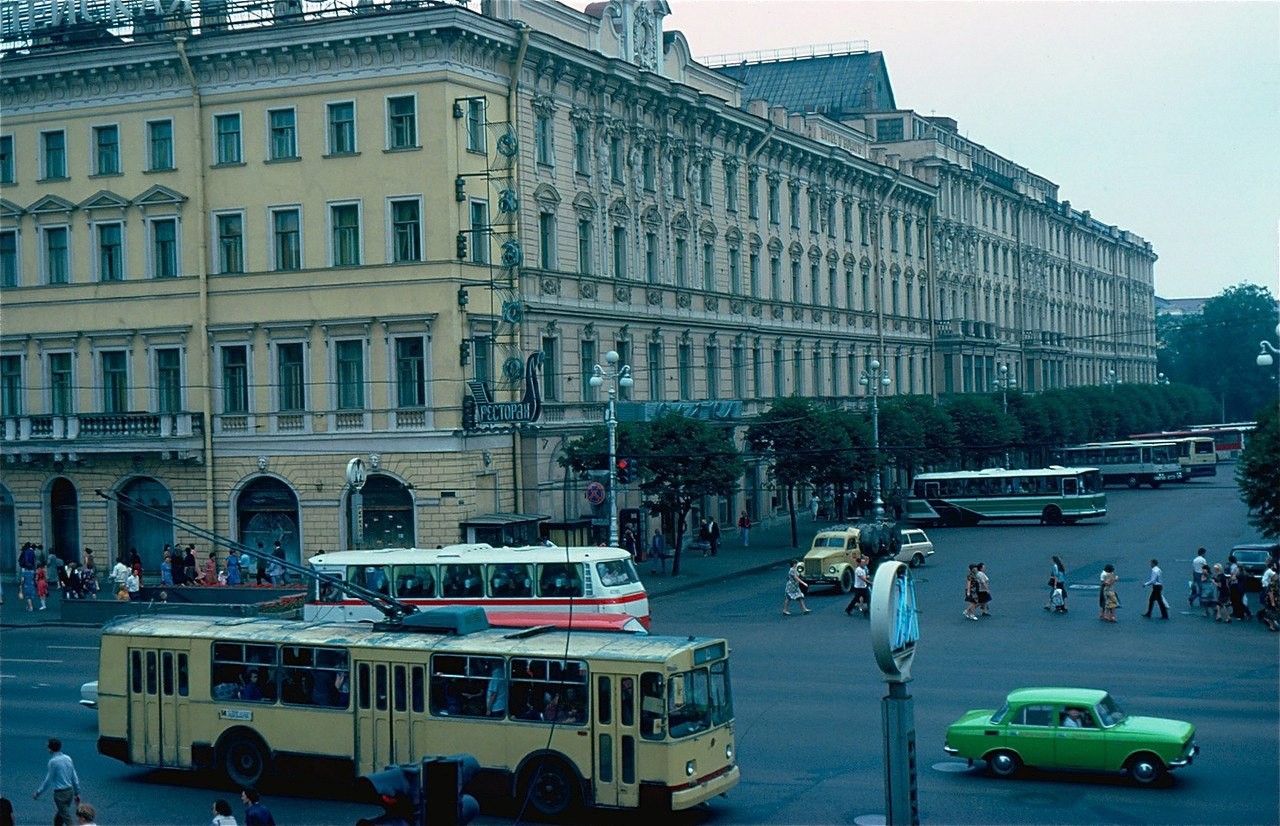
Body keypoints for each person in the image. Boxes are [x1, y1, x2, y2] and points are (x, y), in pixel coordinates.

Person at [33, 737, 81, 826]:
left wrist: (38, 792)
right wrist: (77, 792)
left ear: (50, 749)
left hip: (60, 794)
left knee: (66, 818)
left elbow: (48, 780)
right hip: (70, 791)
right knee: (59, 818)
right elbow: (74, 776)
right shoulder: (68, 758)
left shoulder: (53, 762)